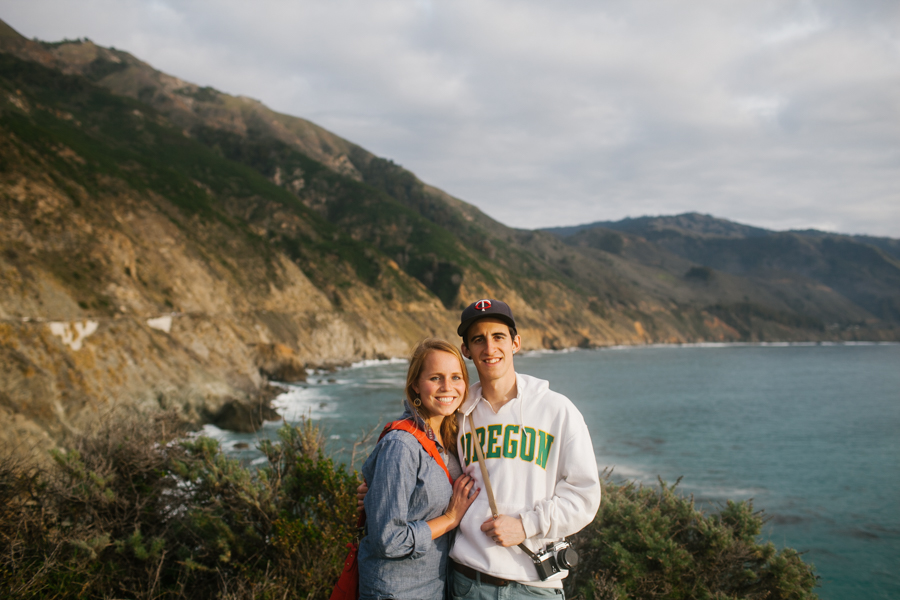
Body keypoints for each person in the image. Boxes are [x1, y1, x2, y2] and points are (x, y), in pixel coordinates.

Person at [449, 298, 602, 599]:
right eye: (478, 339)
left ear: (515, 342)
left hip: (532, 588)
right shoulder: (457, 415)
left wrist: (525, 525)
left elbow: (585, 496)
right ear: (466, 350)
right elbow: (427, 462)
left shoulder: (557, 410)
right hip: (468, 583)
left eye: (498, 337)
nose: (489, 349)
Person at [358, 338, 480, 600]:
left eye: (456, 377)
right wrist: (449, 519)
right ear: (415, 385)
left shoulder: (450, 437)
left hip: (435, 588)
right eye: (435, 378)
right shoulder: (401, 445)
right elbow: (387, 539)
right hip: (396, 591)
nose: (448, 387)